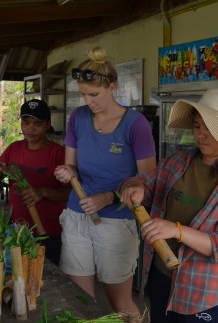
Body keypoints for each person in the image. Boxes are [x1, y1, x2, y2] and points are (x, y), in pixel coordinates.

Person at [119, 88, 218, 323]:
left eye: (210, 128)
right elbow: (145, 186)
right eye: (198, 126)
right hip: (161, 277)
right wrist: (135, 186)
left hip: (206, 292)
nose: (201, 134)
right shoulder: (178, 162)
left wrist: (176, 230)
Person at [54, 46, 157, 318]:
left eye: (94, 94)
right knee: (82, 303)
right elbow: (72, 165)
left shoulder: (136, 125)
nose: (88, 101)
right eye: (83, 94)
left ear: (112, 87)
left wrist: (109, 197)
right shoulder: (78, 117)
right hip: (78, 215)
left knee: (120, 305)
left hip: (116, 220)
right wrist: (66, 173)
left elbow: (148, 181)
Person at [0, 99, 71, 266]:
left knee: (47, 277)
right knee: (19, 274)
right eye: (26, 123)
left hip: (50, 231)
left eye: (37, 124)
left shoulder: (58, 153)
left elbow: (70, 192)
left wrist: (43, 192)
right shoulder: (13, 149)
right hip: (18, 229)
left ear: (48, 124)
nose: (30, 128)